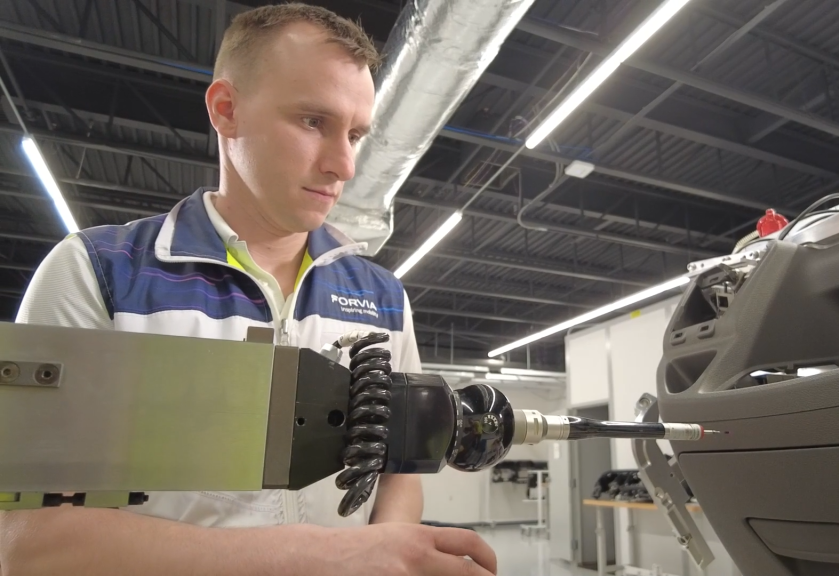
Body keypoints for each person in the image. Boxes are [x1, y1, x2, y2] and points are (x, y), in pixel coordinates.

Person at [0, 4, 497, 575]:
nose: (343, 165)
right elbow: (31, 544)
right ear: (227, 110)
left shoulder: (382, 297)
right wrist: (323, 557)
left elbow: (397, 475)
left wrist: (383, 553)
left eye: (356, 134)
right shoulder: (100, 274)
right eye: (314, 121)